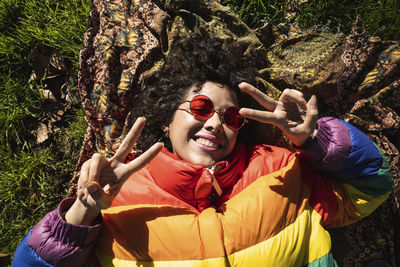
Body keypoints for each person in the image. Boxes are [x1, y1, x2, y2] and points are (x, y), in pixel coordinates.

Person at [13, 33, 394, 266]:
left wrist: (314, 141)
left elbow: (373, 186)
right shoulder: (115, 199)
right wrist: (81, 212)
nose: (215, 122)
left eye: (230, 118)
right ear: (167, 117)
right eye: (200, 108)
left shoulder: (282, 168)